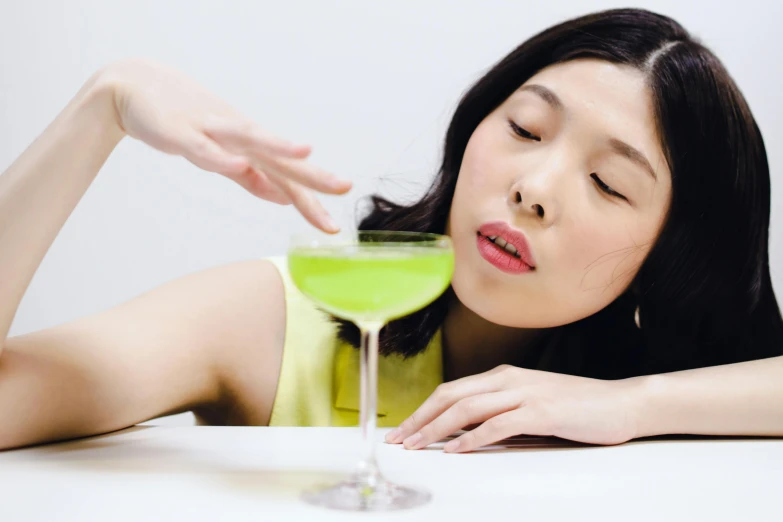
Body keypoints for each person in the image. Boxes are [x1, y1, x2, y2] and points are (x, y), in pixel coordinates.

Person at [1, 8, 781, 453]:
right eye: (524, 128)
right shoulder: (275, 320)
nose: (532, 189)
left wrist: (633, 406)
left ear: (669, 258)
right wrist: (98, 111)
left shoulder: (646, 376)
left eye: (608, 183)